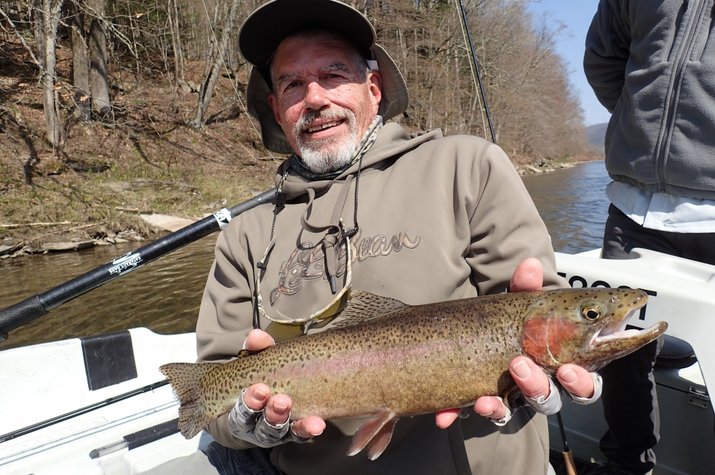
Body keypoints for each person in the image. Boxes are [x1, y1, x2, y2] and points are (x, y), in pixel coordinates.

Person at [155, 1, 599, 474]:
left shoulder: (467, 167)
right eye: (291, 84)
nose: (316, 98)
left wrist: (553, 375)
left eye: (333, 74)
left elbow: (547, 321)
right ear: (276, 110)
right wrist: (248, 423)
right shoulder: (244, 236)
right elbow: (217, 403)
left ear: (374, 85)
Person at [584, 1, 715, 474]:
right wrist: (637, 120)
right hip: (631, 209)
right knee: (620, 351)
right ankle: (626, 464)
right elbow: (604, 58)